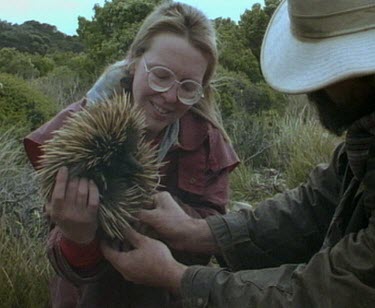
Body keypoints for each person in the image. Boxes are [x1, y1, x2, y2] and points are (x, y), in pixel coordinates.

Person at [99, 0, 375, 307]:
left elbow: (331, 292)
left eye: (331, 65)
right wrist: (197, 231)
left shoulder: (207, 140)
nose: (314, 89)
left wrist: (178, 277)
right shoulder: (365, 138)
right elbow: (312, 207)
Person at [23, 2, 239, 307]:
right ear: (135, 61)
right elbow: (62, 257)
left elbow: (209, 235)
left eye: (188, 86)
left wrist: (171, 221)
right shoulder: (78, 128)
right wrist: (78, 237)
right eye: (160, 75)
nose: (170, 97)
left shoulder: (207, 141)